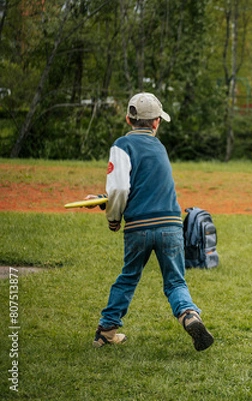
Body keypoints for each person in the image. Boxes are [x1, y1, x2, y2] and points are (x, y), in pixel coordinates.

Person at [87, 92, 214, 351]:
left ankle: (107, 331)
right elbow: (145, 187)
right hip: (170, 224)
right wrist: (104, 198)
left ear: (127, 119)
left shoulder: (122, 145)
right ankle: (189, 315)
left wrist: (112, 216)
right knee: (176, 281)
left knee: (128, 277)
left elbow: (122, 190)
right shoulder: (160, 148)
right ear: (156, 122)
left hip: (139, 227)